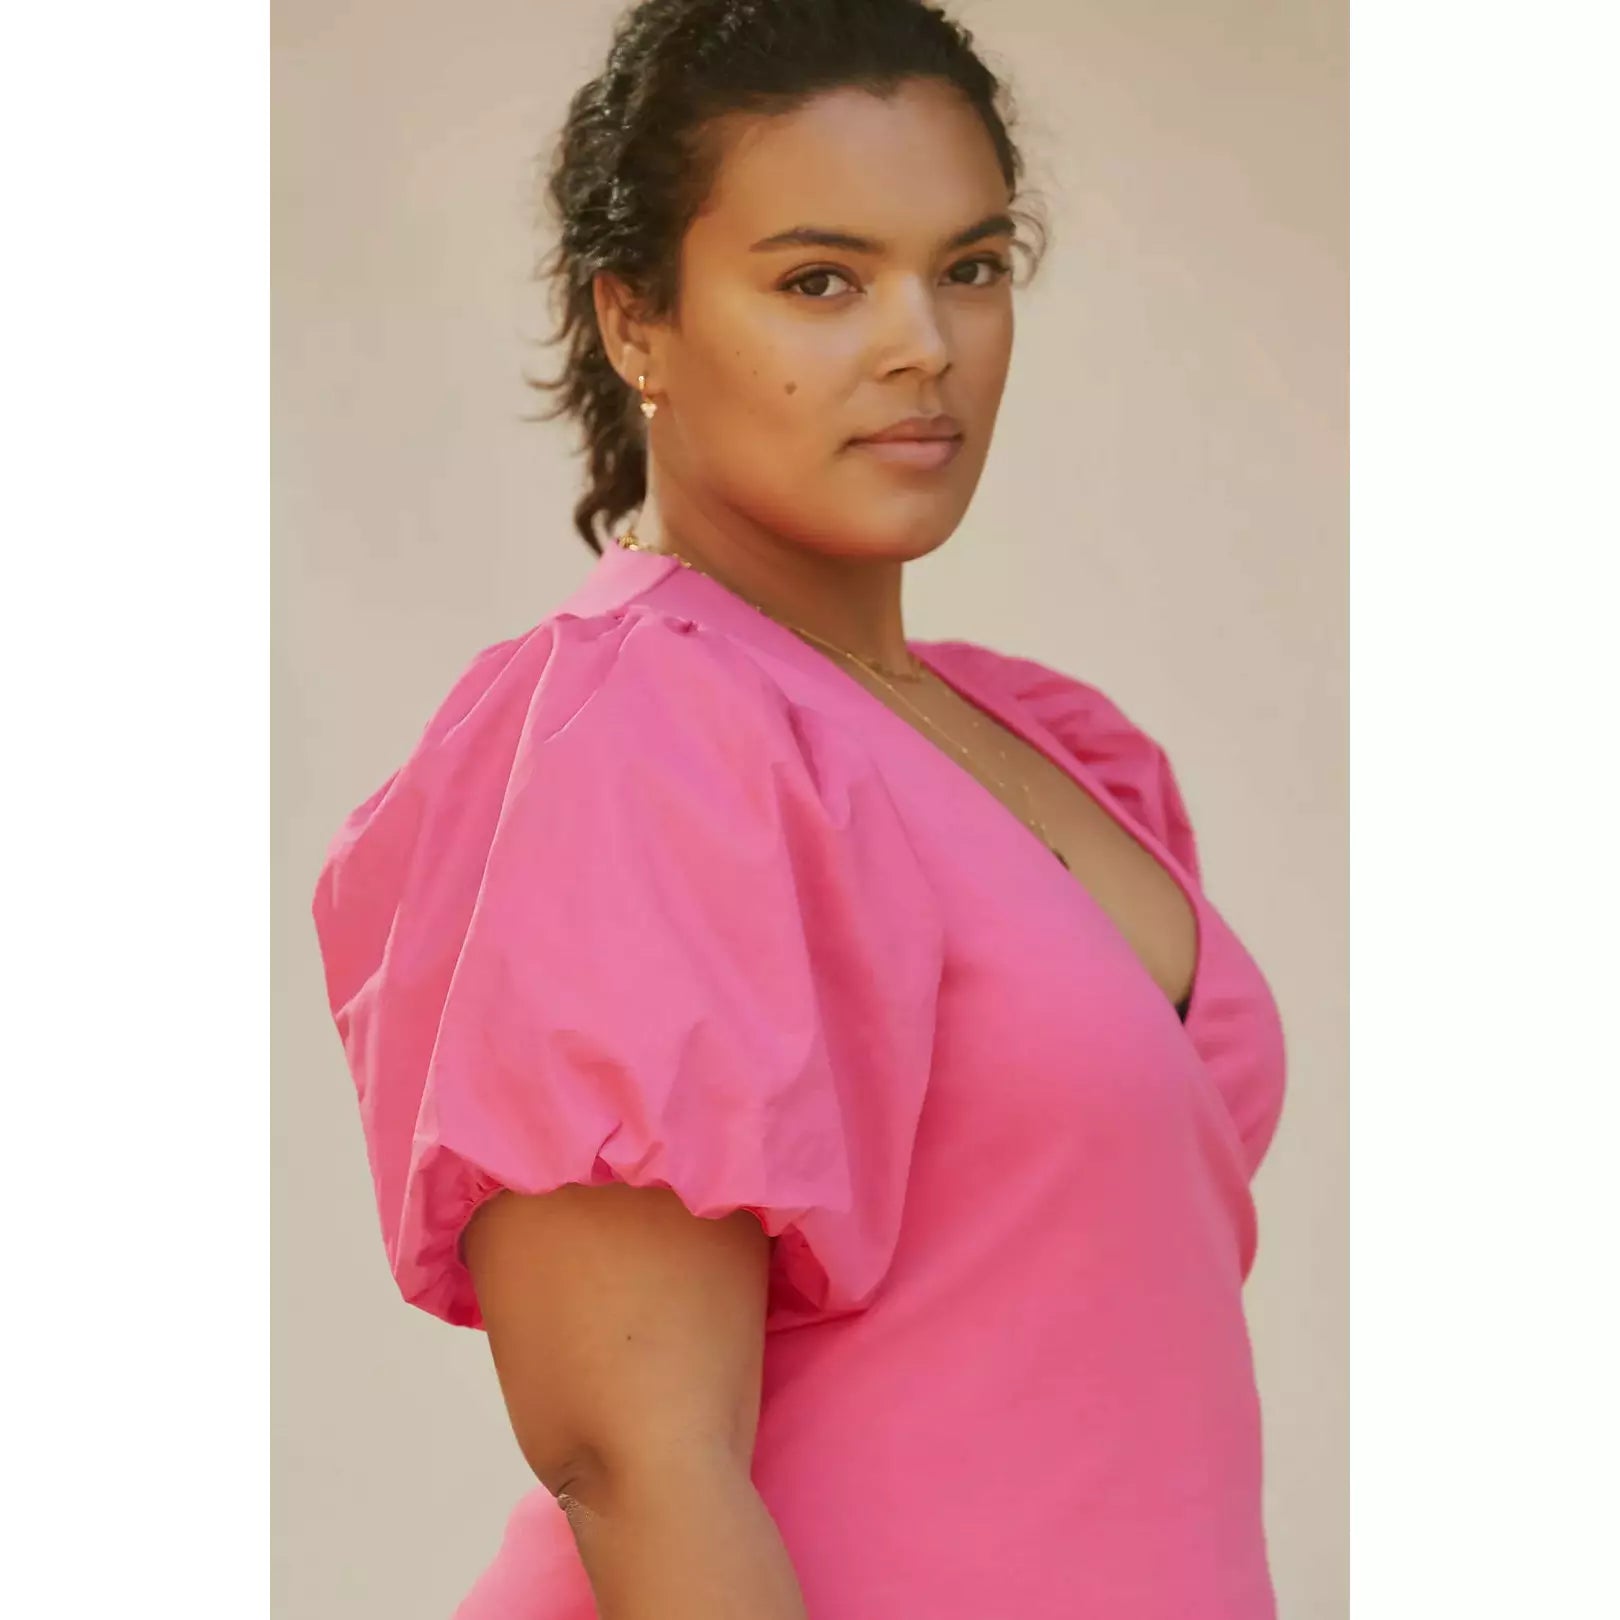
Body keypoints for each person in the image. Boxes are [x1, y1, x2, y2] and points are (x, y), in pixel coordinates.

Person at [310, 1, 1290, 1615]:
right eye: (821, 281)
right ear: (636, 318)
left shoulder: (1054, 743)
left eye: (969, 266)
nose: (924, 343)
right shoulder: (643, 741)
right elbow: (637, 1462)